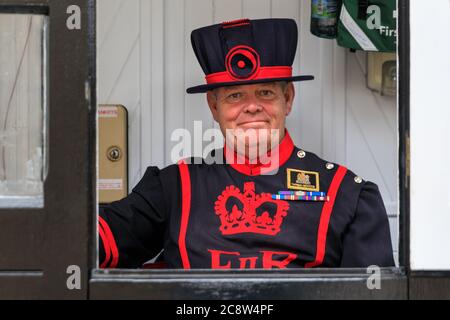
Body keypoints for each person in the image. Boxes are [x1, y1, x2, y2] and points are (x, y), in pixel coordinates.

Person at [98, 18, 394, 269]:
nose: (252, 107)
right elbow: (98, 240)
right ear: (214, 107)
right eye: (235, 95)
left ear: (287, 99)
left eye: (265, 92)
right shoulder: (174, 187)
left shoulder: (347, 194)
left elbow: (375, 293)